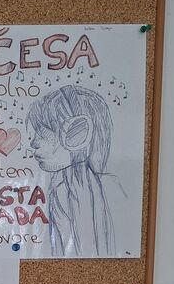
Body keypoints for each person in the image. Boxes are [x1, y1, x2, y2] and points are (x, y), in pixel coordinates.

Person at [26, 84, 126, 257]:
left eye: (43, 134)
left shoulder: (112, 189)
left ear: (76, 134)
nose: (33, 143)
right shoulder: (58, 192)